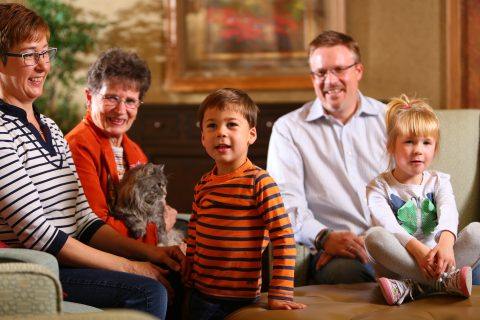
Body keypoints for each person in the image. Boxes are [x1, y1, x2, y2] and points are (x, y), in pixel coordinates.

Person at [0, 4, 184, 318]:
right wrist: (134, 267)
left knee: (180, 272)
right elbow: (40, 235)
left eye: (46, 53)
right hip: (40, 269)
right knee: (149, 290)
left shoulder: (51, 128)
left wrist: (152, 253)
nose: (43, 65)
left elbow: (85, 220)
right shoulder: (3, 131)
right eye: (30, 54)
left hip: (67, 260)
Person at [267, 30, 387, 284]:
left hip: (395, 241)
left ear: (359, 71)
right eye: (321, 73)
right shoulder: (288, 130)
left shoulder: (391, 120)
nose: (330, 81)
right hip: (336, 252)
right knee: (349, 275)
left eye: (339, 69)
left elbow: (411, 189)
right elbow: (284, 204)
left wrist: (376, 239)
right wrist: (323, 238)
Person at [186, 88, 306, 319]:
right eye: (211, 126)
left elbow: (283, 237)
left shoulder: (260, 182)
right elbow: (194, 233)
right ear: (202, 137)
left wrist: (280, 293)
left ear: (251, 134)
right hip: (200, 296)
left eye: (231, 125)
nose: (220, 132)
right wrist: (188, 272)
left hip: (242, 301)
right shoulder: (203, 184)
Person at [364, 94, 480, 305]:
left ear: (434, 149)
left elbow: (448, 211)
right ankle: (442, 283)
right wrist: (419, 251)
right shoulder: (378, 187)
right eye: (409, 142)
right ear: (391, 146)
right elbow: (388, 225)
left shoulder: (439, 181)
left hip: (439, 262)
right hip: (400, 267)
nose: (418, 149)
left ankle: (416, 288)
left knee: (477, 232)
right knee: (374, 236)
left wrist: (445, 242)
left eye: (426, 143)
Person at [66, 48, 178, 246]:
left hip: (136, 248)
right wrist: (159, 229)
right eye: (112, 98)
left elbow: (153, 209)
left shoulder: (133, 150)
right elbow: (97, 227)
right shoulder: (77, 146)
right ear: (89, 97)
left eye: (130, 101)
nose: (121, 111)